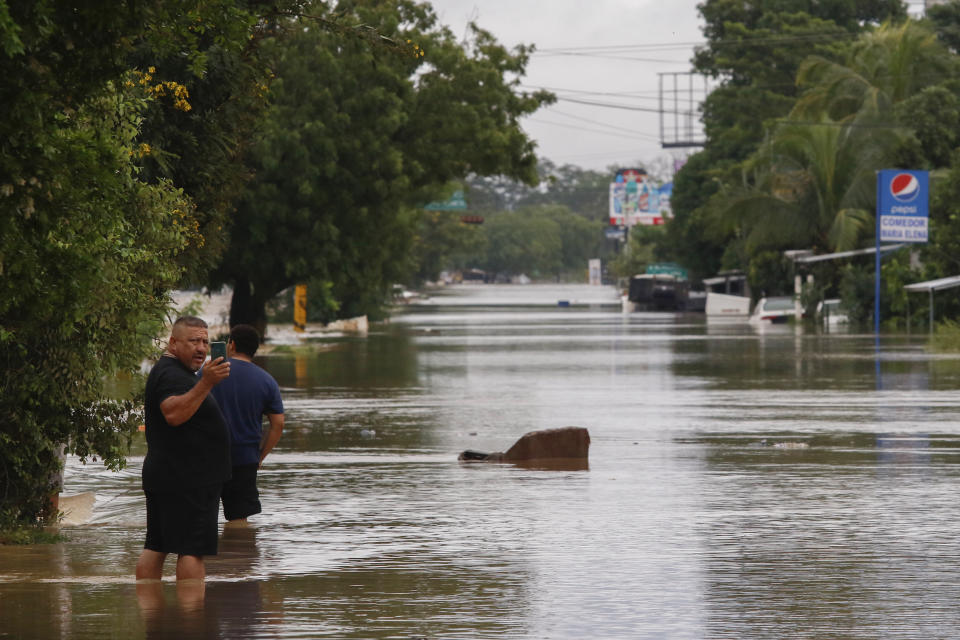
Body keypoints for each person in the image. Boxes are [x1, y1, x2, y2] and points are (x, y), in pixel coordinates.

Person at [136, 316, 232, 583]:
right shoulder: (172, 374)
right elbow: (173, 413)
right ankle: (190, 622)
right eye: (193, 341)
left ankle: (153, 616)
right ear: (173, 343)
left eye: (204, 341)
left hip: (172, 474)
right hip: (189, 479)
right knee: (192, 550)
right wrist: (206, 383)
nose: (201, 348)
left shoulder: (173, 371)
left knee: (157, 546)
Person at [211, 324, 284, 525]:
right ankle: (240, 554)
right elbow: (277, 424)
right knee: (239, 520)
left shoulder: (208, 375)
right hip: (245, 459)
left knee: (203, 516)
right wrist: (260, 456)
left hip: (209, 457)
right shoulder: (267, 381)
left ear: (231, 345)